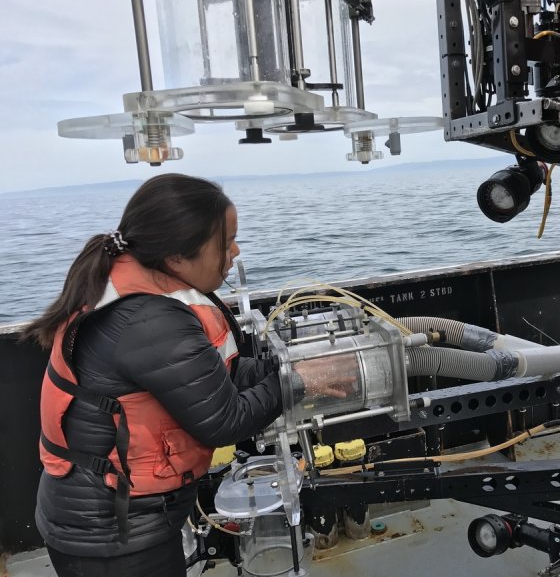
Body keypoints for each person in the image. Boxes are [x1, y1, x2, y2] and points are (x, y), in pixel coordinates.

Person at [24, 173, 349, 577]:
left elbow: (214, 376)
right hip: (110, 538)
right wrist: (302, 382)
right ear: (177, 257)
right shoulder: (147, 319)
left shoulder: (146, 288)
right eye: (225, 242)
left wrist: (284, 368)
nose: (236, 251)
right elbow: (224, 421)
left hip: (117, 520)